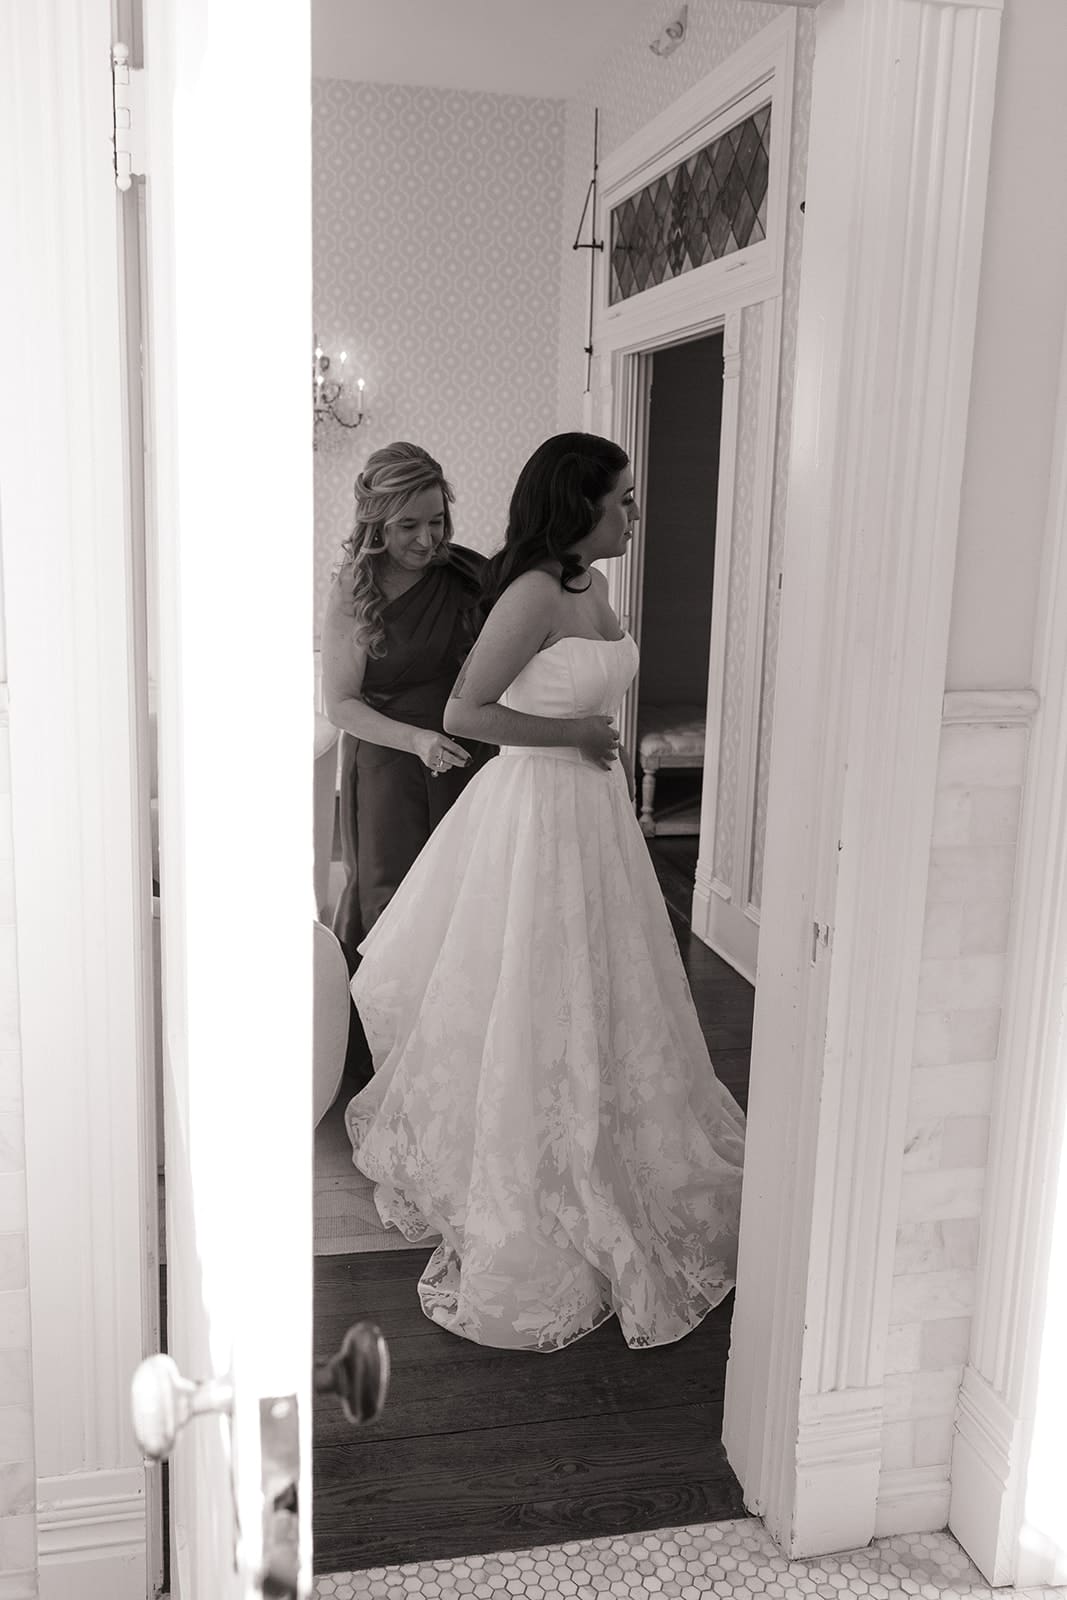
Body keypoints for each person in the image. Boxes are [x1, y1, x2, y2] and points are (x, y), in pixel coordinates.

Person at [346, 432, 745, 1353]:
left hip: (592, 812)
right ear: (579, 506)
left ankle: (610, 1127)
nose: (634, 514)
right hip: (536, 810)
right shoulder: (529, 593)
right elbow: (465, 711)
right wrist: (571, 738)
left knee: (605, 981)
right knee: (536, 986)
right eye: (622, 500)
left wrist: (586, 745)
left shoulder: (591, 584)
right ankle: (534, 1153)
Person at [322, 442, 490, 971]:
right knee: (393, 906)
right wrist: (415, 740)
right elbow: (340, 704)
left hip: (467, 757)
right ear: (377, 523)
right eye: (408, 526)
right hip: (390, 764)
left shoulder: (468, 575)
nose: (427, 539)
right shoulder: (355, 588)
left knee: (465, 897)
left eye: (437, 521)